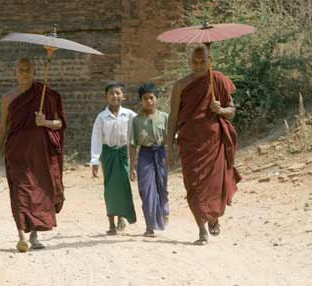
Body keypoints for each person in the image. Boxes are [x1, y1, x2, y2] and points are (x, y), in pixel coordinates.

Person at [167, 46, 241, 245]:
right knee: (193, 185)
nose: (198, 66)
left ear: (210, 60)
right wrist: (169, 147)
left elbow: (232, 111)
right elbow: (173, 117)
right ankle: (201, 229)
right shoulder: (180, 85)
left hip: (213, 141)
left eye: (202, 61)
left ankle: (213, 216)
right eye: (194, 62)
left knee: (214, 185)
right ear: (190, 62)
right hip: (190, 143)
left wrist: (221, 109)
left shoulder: (217, 80)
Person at [0, 58, 66, 252]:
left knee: (39, 192)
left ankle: (34, 236)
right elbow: (2, 129)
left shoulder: (45, 95)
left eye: (28, 70)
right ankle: (21, 235)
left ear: (34, 72)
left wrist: (46, 123)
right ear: (14, 73)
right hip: (16, 152)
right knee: (20, 191)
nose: (24, 73)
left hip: (40, 153)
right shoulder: (8, 98)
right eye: (21, 70)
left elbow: (60, 123)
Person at [90, 82, 137, 235]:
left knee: (123, 187)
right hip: (109, 155)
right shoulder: (102, 117)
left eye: (118, 93)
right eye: (111, 93)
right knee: (109, 188)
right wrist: (95, 160)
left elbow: (139, 128)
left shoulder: (130, 115)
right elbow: (96, 139)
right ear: (106, 97)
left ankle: (121, 217)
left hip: (124, 154)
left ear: (124, 97)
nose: (115, 96)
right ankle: (111, 223)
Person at [129, 82, 169, 238]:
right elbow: (133, 144)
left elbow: (171, 140)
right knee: (146, 190)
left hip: (161, 153)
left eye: (151, 98)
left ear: (156, 99)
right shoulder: (136, 120)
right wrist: (132, 166)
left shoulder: (165, 117)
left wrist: (171, 157)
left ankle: (164, 211)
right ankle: (150, 225)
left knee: (162, 187)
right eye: (145, 98)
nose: (149, 101)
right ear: (141, 100)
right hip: (145, 154)